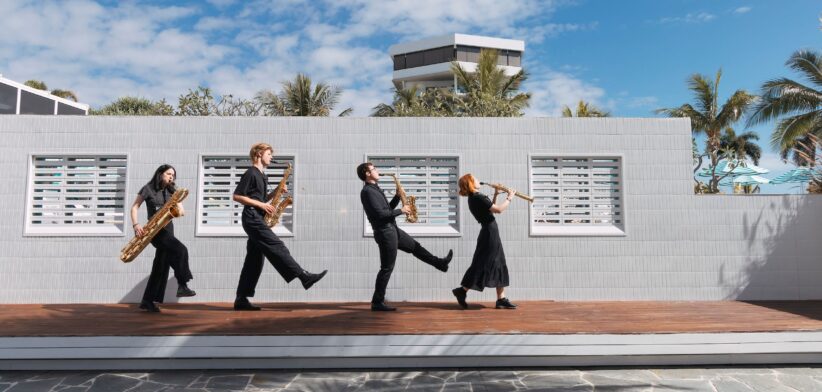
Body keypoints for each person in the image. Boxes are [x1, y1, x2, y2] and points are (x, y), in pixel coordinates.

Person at [232, 143, 327, 311]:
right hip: (252, 217)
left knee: (254, 261)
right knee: (277, 246)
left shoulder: (262, 175)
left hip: (258, 217)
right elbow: (237, 196)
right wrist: (261, 206)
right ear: (259, 154)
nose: (271, 157)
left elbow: (260, 198)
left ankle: (241, 299)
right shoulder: (251, 173)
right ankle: (303, 276)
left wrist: (275, 192)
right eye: (269, 153)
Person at [357, 162, 453, 311]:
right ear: (367, 173)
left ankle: (440, 263)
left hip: (392, 229)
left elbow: (387, 209)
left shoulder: (375, 189)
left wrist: (397, 197)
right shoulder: (368, 192)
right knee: (387, 268)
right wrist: (401, 210)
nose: (377, 171)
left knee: (416, 247)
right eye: (374, 169)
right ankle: (377, 302)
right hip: (385, 232)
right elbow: (380, 215)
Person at [130, 164, 196, 313]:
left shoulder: (171, 191)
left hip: (168, 230)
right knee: (181, 250)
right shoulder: (147, 189)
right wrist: (136, 225)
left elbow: (182, 212)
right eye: (168, 174)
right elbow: (135, 207)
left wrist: (177, 199)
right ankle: (182, 284)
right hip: (155, 231)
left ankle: (147, 301)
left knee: (161, 266)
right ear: (160, 174)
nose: (171, 177)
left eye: (173, 175)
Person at [451, 173, 517, 310]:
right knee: (482, 263)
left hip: (489, 231)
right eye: (475, 179)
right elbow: (498, 210)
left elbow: (490, 210)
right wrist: (510, 197)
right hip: (489, 233)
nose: (478, 180)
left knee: (498, 262)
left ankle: (501, 299)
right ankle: (462, 290)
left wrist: (495, 195)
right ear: (470, 183)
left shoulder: (473, 198)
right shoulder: (478, 197)